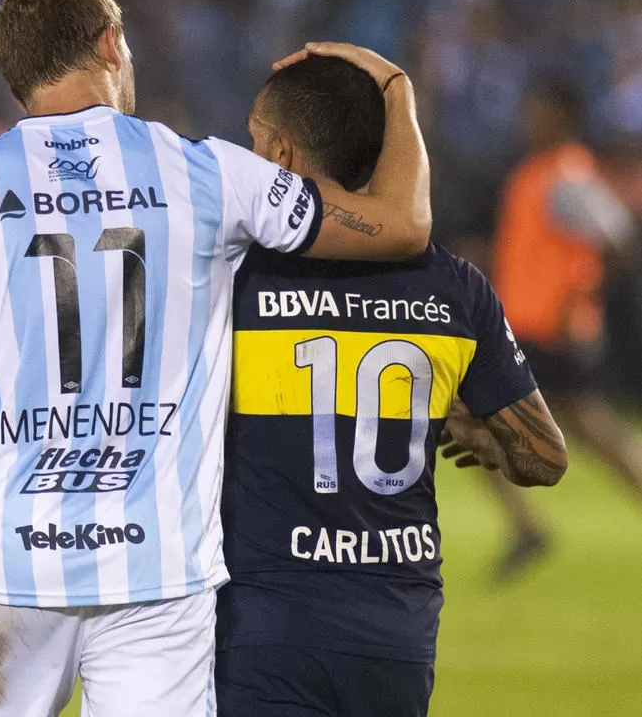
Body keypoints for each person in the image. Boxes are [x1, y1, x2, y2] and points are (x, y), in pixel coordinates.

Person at [0, 0, 431, 717]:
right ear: (109, 42)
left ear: (14, 78)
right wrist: (394, 88)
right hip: (158, 570)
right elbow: (400, 225)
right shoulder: (207, 171)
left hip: (4, 568)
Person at [216, 53, 568, 717]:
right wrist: (489, 437)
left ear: (283, 154)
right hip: (396, 635)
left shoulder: (238, 275)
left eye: (257, 140)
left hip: (265, 627)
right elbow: (544, 457)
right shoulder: (455, 287)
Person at [486, 79, 642, 578]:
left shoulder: (566, 176)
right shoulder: (539, 172)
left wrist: (581, 297)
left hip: (550, 332)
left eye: (539, 111)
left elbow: (617, 238)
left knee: (474, 414)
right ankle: (525, 527)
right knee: (593, 430)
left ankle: (526, 528)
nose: (528, 120)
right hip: (531, 327)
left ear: (562, 117)